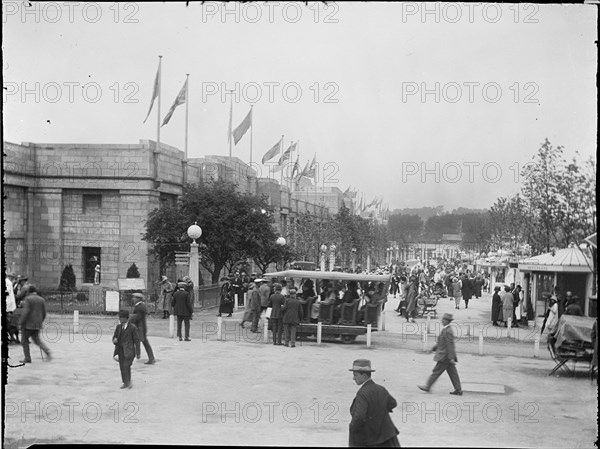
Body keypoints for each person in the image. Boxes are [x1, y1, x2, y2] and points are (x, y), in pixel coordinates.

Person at [348, 359, 400, 447]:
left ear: (364, 375)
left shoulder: (362, 393)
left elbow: (359, 417)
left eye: (355, 375)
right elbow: (393, 403)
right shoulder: (380, 388)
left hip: (371, 439)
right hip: (387, 436)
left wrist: (352, 427)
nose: (353, 378)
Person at [418, 313, 462, 395]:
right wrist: (433, 349)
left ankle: (427, 386)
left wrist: (451, 358)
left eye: (443, 320)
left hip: (445, 356)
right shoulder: (446, 329)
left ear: (447, 321)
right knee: (453, 373)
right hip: (446, 356)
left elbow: (450, 346)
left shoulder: (448, 331)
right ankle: (458, 389)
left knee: (436, 371)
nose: (442, 321)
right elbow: (441, 343)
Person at [18, 284, 52, 363]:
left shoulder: (28, 299)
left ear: (28, 291)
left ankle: (27, 358)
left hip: (28, 324)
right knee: (37, 340)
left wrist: (20, 322)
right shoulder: (41, 299)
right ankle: (47, 351)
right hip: (37, 323)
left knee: (24, 340)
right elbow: (44, 313)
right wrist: (40, 321)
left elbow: (26, 312)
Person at [112, 310, 141, 389]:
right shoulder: (118, 327)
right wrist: (114, 340)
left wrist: (138, 353)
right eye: (120, 318)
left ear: (126, 318)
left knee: (126, 365)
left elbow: (137, 341)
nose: (120, 319)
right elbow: (114, 336)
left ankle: (128, 381)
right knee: (122, 366)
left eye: (122, 318)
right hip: (120, 350)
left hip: (129, 350)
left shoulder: (132, 327)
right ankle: (125, 382)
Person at [129, 292, 155, 364]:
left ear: (138, 299)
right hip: (141, 328)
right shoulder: (139, 306)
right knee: (143, 342)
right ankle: (150, 358)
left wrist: (129, 321)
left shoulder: (140, 307)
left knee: (137, 341)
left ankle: (134, 356)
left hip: (140, 328)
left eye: (134, 298)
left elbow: (137, 318)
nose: (133, 299)